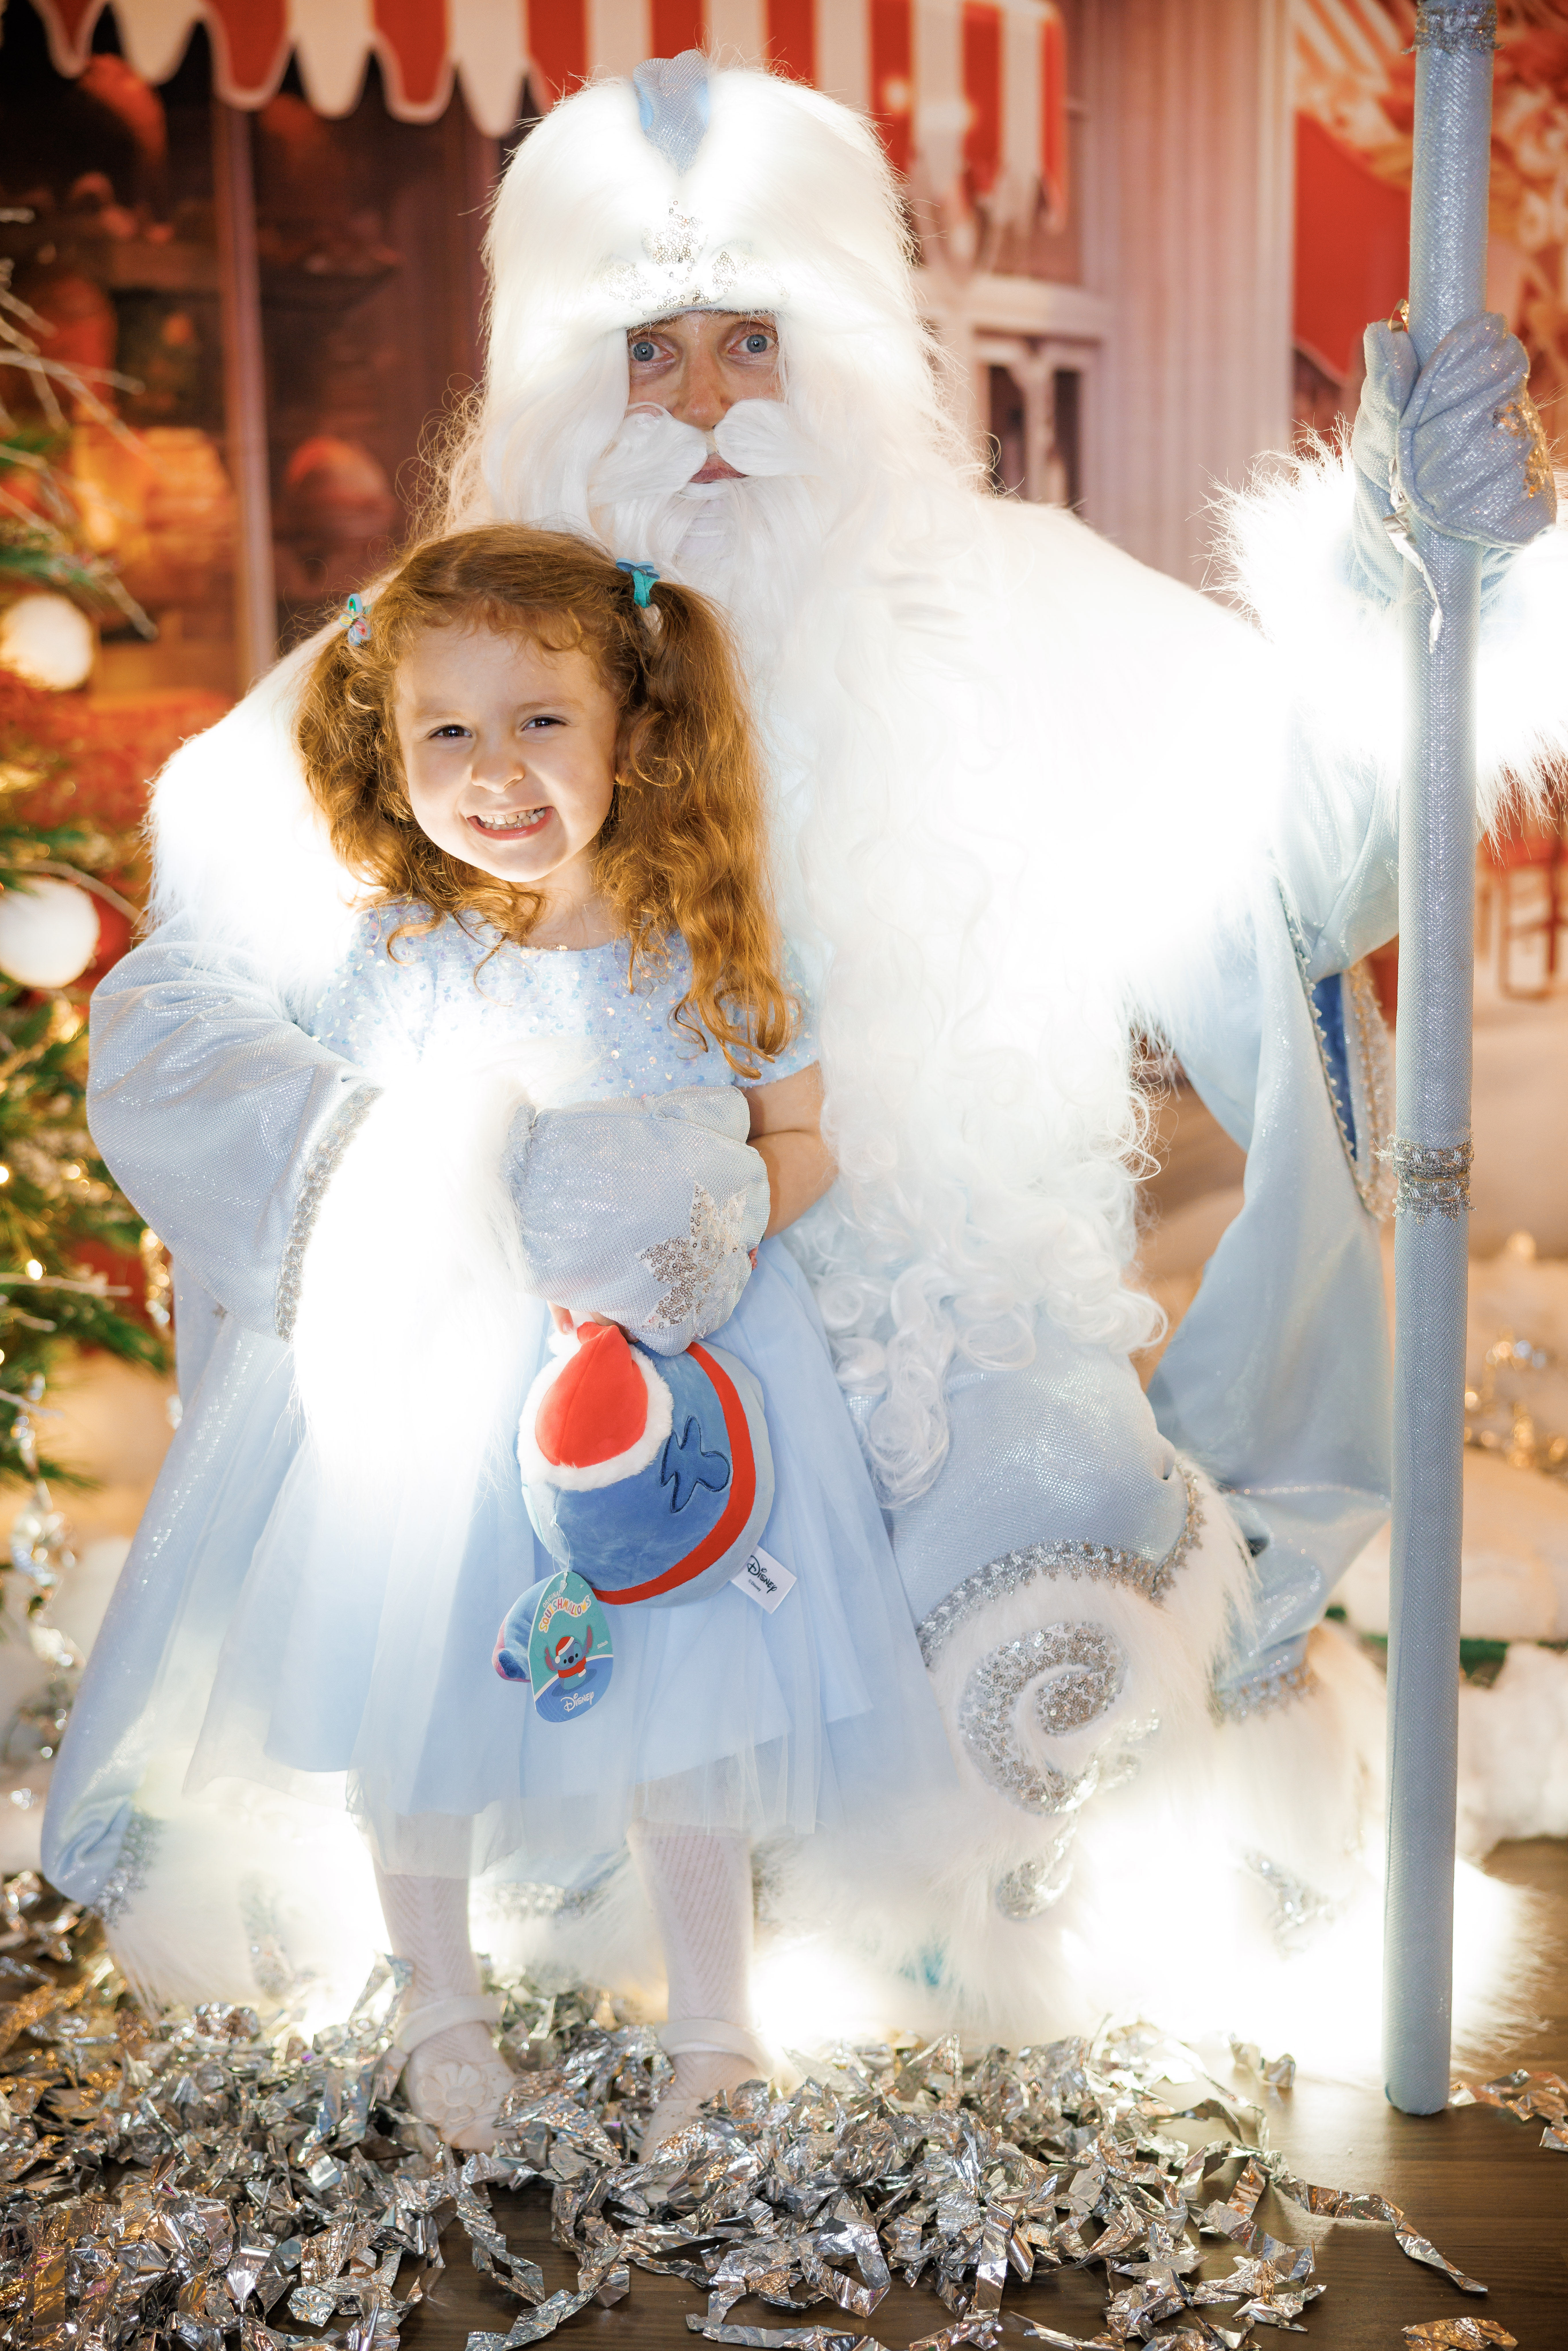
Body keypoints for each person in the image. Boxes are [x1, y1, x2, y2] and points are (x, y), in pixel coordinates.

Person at [47, 53, 1567, 2069]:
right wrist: (439, 1182)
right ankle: (542, 2007)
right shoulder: (427, 666)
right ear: (550, 380)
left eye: (754, 337)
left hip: (962, 1351)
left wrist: (1409, 599)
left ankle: (840, 2019)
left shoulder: (1020, 612)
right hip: (554, 1381)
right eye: (645, 347)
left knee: (1063, 1695)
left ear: (852, 348)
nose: (701, 399)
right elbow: (176, 1009)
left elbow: (1316, 850)